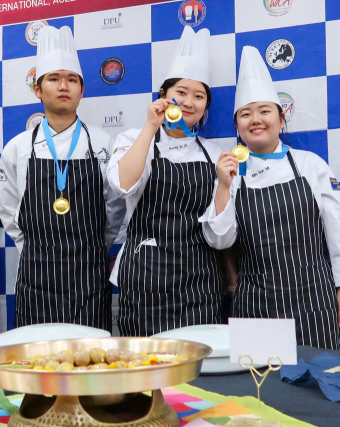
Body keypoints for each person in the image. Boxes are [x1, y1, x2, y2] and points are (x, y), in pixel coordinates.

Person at [200, 46, 340, 349]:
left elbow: (338, 227)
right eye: (245, 114)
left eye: (264, 111)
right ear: (237, 126)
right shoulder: (232, 175)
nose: (256, 120)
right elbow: (220, 240)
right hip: (255, 304)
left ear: (281, 118)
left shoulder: (309, 164)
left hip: (313, 299)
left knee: (317, 387)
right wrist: (223, 186)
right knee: (260, 390)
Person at [0, 26, 125, 330]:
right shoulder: (18, 147)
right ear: (38, 89)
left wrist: (92, 247)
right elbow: (9, 210)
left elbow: (115, 209)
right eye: (54, 79)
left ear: (82, 89)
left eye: (72, 79)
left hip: (90, 276)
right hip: (35, 276)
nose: (63, 86)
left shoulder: (103, 143)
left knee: (92, 365)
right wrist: (37, 249)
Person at [108, 26, 225, 336]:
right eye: (181, 93)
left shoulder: (215, 155)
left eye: (199, 96)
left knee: (200, 374)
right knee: (148, 370)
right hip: (146, 277)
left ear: (205, 108)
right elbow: (122, 185)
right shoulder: (134, 138)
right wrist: (150, 126)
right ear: (163, 96)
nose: (189, 102)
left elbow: (222, 224)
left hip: (200, 279)